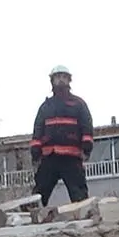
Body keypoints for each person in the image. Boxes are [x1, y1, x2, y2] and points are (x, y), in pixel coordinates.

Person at [28, 65, 95, 208]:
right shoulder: (45, 106)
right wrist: (35, 151)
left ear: (69, 80)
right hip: (49, 157)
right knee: (39, 194)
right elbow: (38, 129)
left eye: (64, 77)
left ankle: (84, 218)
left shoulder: (79, 104)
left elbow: (86, 126)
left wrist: (87, 147)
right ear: (52, 81)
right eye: (58, 77)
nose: (61, 80)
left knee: (79, 196)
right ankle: (31, 218)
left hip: (71, 157)